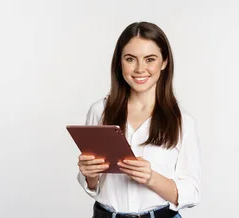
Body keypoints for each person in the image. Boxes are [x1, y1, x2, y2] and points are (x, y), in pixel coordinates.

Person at [76, 21, 201, 218]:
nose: (140, 68)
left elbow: (192, 193)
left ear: (164, 62)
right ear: (120, 62)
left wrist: (151, 178)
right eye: (130, 59)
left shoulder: (182, 121)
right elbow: (94, 185)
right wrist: (90, 174)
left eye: (150, 59)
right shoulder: (99, 111)